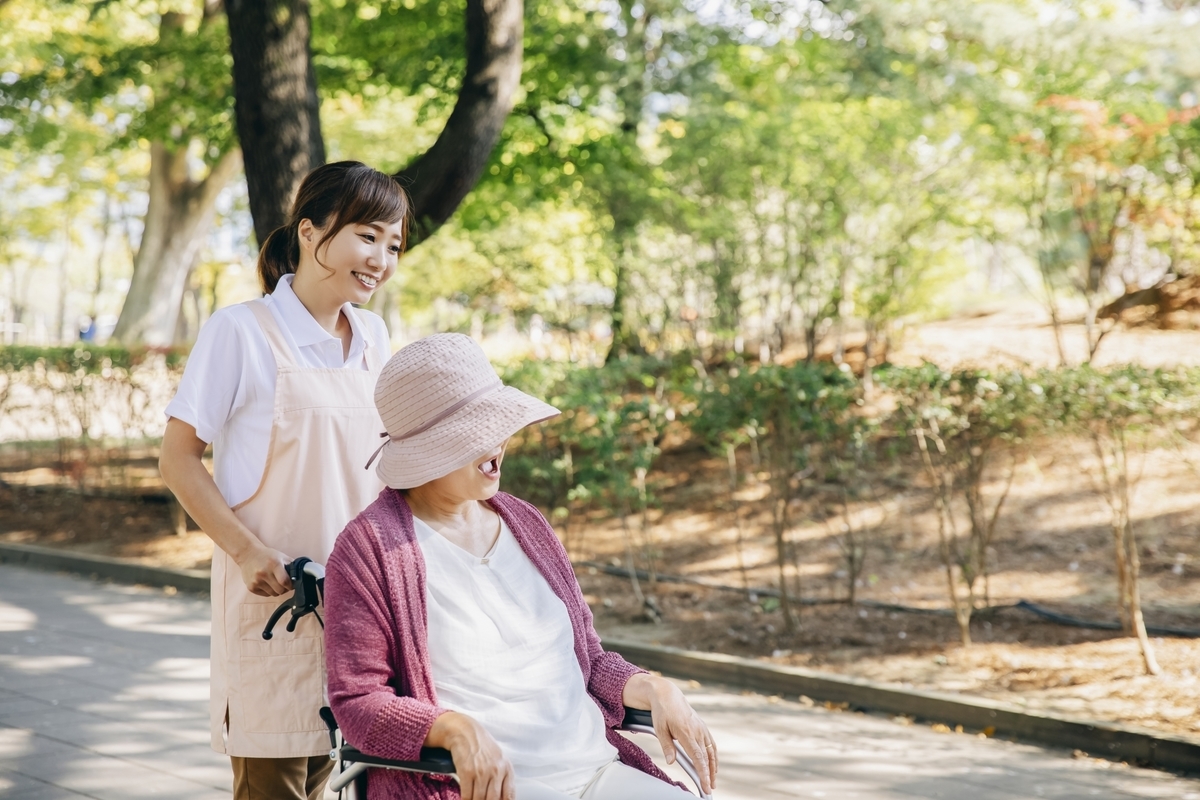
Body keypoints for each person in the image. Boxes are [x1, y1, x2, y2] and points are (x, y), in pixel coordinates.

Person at [324, 334, 719, 800]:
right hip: (487, 789)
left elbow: (587, 661)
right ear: (428, 447)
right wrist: (451, 729)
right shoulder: (369, 549)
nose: (499, 440)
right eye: (477, 429)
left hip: (596, 771)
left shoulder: (524, 521)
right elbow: (358, 701)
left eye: (499, 423)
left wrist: (653, 689)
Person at [159, 161, 410, 800]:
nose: (382, 257)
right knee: (274, 784)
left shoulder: (374, 335)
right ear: (309, 230)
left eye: (394, 243)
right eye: (368, 235)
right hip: (273, 598)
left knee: (335, 777)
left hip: (358, 604)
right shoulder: (239, 332)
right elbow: (179, 459)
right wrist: (246, 551)